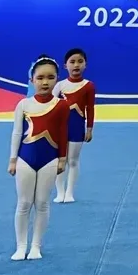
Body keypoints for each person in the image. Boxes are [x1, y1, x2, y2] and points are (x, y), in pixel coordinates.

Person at [8, 55, 68, 261]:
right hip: (25, 159)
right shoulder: (24, 104)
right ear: (32, 80)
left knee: (42, 203)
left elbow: (63, 132)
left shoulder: (61, 105)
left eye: (50, 78)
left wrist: (62, 158)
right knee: (24, 203)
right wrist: (13, 159)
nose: (45, 82)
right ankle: (20, 246)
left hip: (49, 159)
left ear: (57, 80)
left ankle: (36, 246)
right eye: (40, 78)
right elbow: (17, 132)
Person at [52, 47, 95, 204]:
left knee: (73, 160)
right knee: (60, 160)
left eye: (80, 61)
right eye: (72, 62)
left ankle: (69, 192)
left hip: (77, 127)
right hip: (60, 128)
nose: (76, 65)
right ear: (65, 66)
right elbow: (51, 106)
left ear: (85, 65)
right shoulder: (59, 86)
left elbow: (90, 108)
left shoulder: (88, 86)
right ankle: (60, 192)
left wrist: (89, 129)